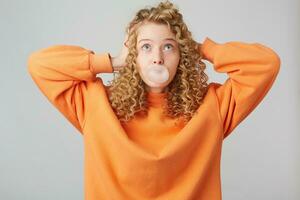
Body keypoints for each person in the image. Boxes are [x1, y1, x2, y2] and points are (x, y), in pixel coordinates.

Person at [27, 1, 280, 199]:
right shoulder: (95, 104)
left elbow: (266, 64)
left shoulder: (211, 106)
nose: (157, 57)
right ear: (133, 55)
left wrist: (200, 48)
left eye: (168, 46)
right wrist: (112, 61)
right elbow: (39, 65)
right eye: (146, 47)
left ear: (182, 55)